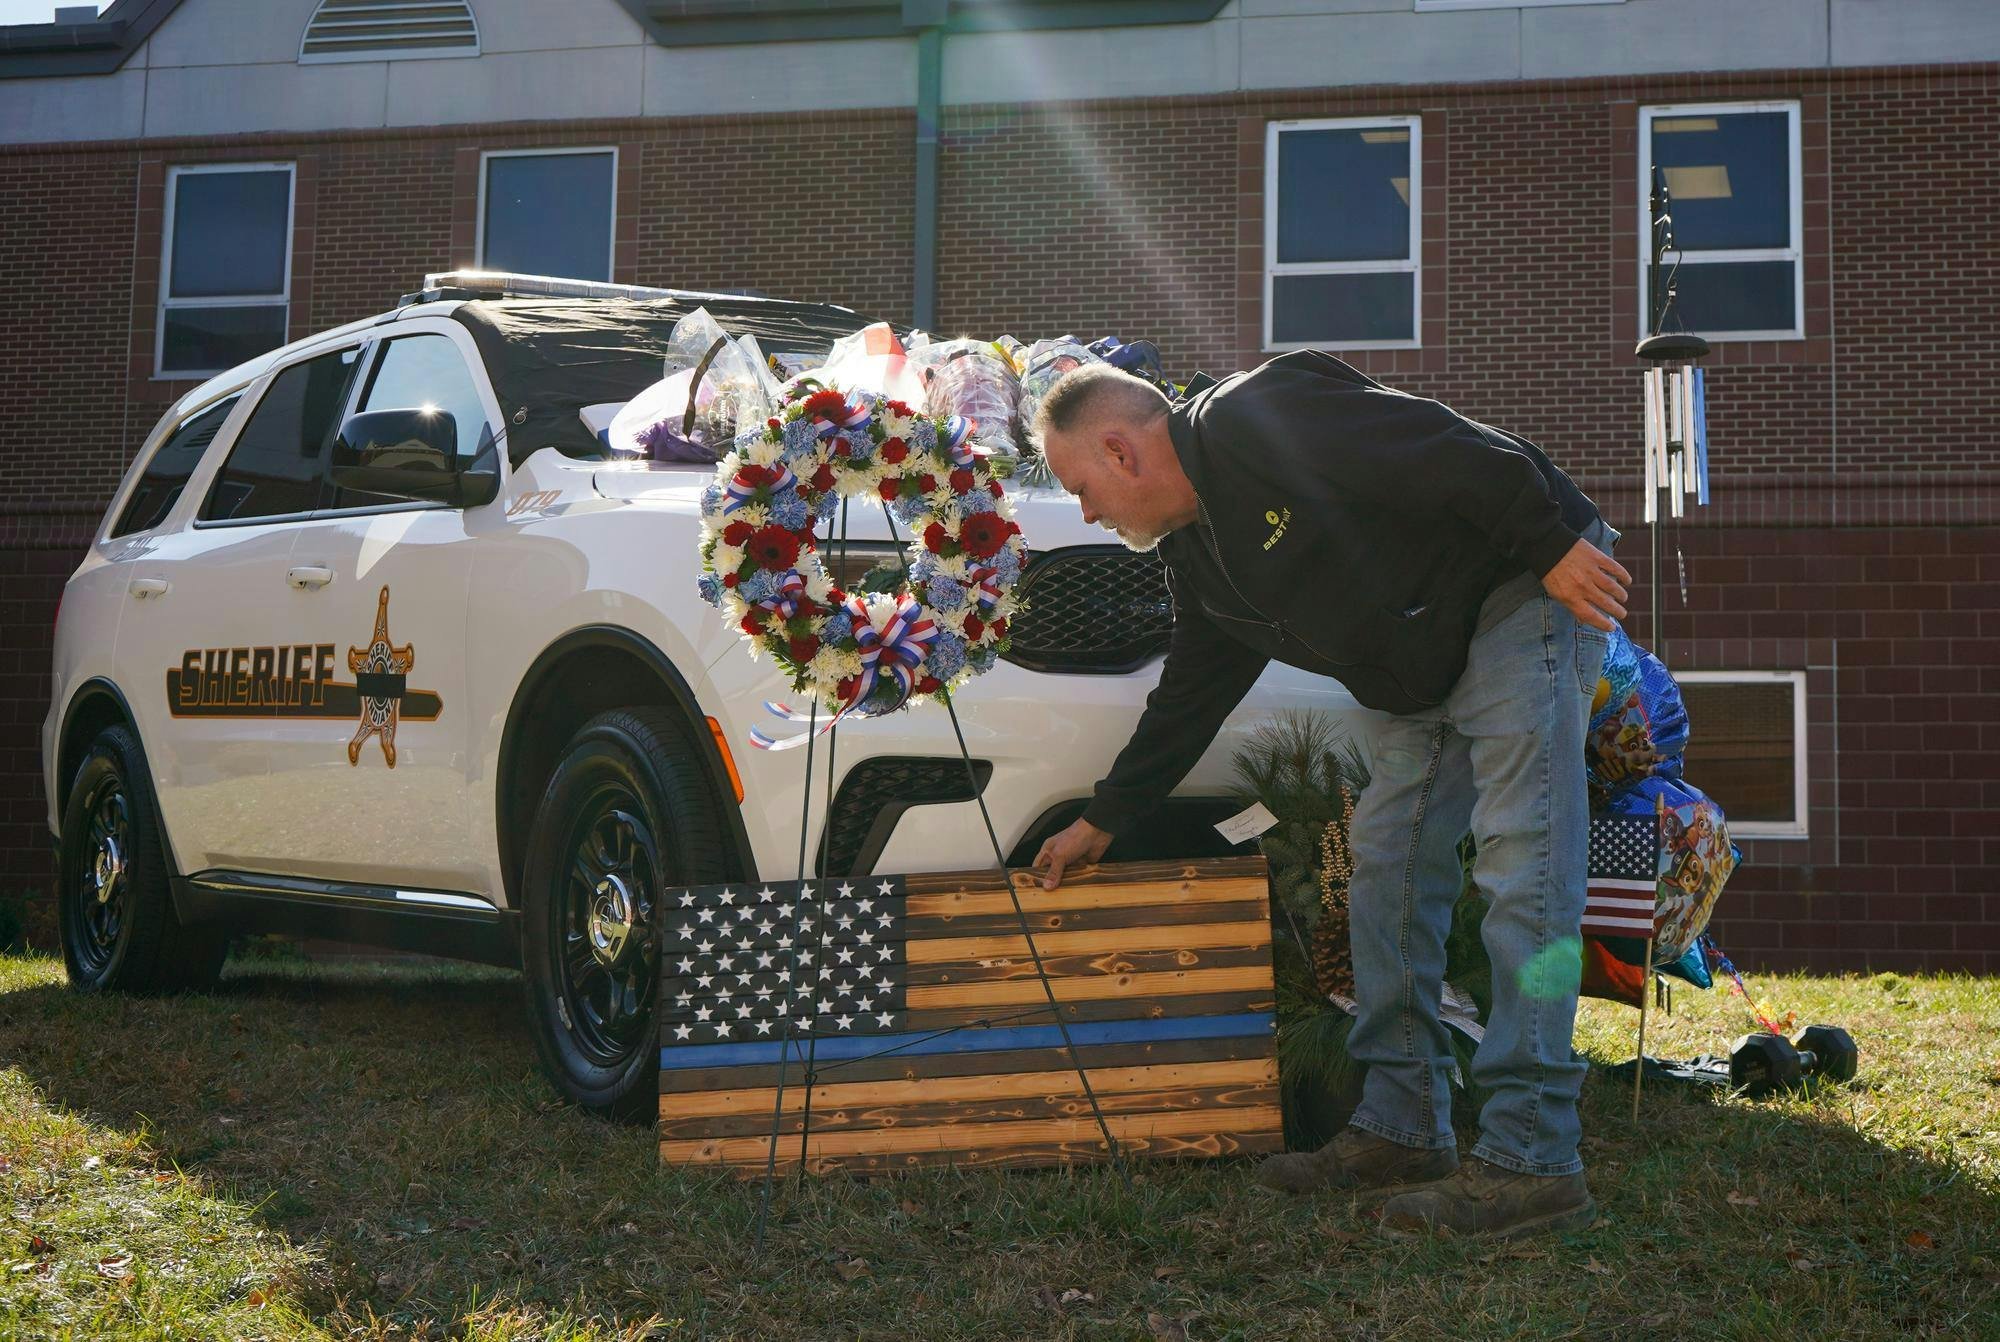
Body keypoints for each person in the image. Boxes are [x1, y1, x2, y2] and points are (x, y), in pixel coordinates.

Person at [1029, 353, 1628, 1240]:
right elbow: (1194, 687)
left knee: (1522, 861)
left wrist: (1548, 545)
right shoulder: (1197, 553)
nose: (1087, 513)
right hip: (1424, 669)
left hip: (1521, 589)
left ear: (1121, 451)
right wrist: (1106, 816)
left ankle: (1532, 1159)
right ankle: (1403, 1127)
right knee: (1382, 870)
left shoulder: (1252, 417)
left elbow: (1440, 446)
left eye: (1082, 487)